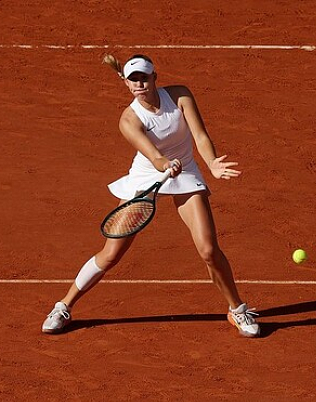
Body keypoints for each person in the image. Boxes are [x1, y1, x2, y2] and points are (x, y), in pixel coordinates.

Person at [42, 54, 260, 338]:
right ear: (126, 84)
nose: (140, 84)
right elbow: (154, 156)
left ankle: (237, 309)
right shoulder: (129, 120)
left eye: (144, 77)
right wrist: (164, 165)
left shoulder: (180, 96)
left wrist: (212, 163)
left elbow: (200, 136)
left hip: (186, 173)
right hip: (147, 176)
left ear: (155, 77)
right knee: (111, 254)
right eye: (133, 80)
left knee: (208, 249)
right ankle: (63, 306)